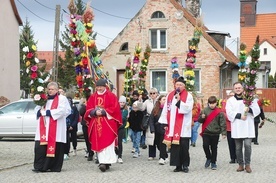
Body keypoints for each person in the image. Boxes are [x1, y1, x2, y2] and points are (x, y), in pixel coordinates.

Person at [84, 79, 122, 172]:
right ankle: (102, 162)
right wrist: (94, 112)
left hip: (108, 124)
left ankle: (106, 162)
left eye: (101, 87)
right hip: (96, 123)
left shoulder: (111, 96)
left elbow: (115, 108)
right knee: (99, 142)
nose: (99, 88)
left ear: (105, 87)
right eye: (98, 87)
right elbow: (88, 109)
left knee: (108, 142)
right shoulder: (93, 97)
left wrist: (104, 111)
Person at [33, 82, 71, 173]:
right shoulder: (43, 99)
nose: (50, 91)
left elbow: (63, 110)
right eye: (49, 89)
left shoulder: (62, 98)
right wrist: (39, 112)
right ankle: (40, 166)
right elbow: (37, 108)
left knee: (56, 147)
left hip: (56, 127)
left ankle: (54, 167)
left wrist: (48, 112)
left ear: (57, 90)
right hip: (43, 127)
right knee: (40, 147)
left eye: (52, 89)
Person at [159, 76, 194, 173]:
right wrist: (164, 123)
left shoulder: (188, 96)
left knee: (184, 147)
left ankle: (185, 165)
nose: (178, 86)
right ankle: (177, 165)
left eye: (180, 85)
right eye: (177, 84)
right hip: (172, 126)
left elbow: (187, 108)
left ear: (184, 86)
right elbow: (166, 108)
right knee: (175, 147)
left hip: (183, 126)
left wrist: (179, 101)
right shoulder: (170, 95)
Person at [226, 82, 260, 173]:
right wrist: (239, 116)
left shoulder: (250, 99)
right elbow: (229, 112)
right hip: (237, 126)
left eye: (239, 87)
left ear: (243, 89)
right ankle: (241, 164)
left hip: (248, 126)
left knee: (248, 145)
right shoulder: (230, 101)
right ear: (234, 89)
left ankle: (247, 164)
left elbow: (257, 110)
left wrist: (250, 109)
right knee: (238, 147)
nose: (238, 89)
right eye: (236, 88)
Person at [198, 96, 226, 170]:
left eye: (213, 103)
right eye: (210, 103)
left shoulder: (219, 112)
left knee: (214, 148)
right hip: (206, 132)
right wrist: (202, 117)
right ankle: (208, 157)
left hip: (215, 132)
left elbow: (222, 123)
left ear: (216, 103)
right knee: (205, 146)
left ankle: (213, 162)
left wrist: (223, 133)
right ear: (208, 103)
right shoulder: (204, 110)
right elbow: (199, 120)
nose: (212, 105)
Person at [137, 87, 159, 160]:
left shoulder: (159, 100)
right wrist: (140, 101)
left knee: (159, 137)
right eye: (151, 93)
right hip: (150, 119)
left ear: (156, 94)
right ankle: (151, 155)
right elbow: (142, 108)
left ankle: (162, 154)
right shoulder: (147, 101)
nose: (152, 95)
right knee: (150, 137)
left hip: (158, 119)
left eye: (154, 93)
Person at [148, 95, 168, 165]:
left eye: (166, 99)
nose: (165, 101)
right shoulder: (156, 109)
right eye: (163, 99)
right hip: (157, 128)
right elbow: (151, 119)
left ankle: (162, 158)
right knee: (157, 143)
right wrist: (152, 129)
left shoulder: (168, 109)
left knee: (162, 143)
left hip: (164, 128)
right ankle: (165, 154)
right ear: (160, 100)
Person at [221, 91, 237, 164]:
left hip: (236, 125)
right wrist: (230, 117)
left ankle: (238, 157)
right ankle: (232, 157)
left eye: (233, 95)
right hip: (228, 126)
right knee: (230, 143)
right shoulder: (225, 103)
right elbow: (223, 112)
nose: (231, 96)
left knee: (238, 143)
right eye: (230, 95)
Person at [79, 96, 94, 161]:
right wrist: (85, 105)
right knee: (87, 139)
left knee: (94, 139)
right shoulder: (84, 106)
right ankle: (90, 152)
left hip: (93, 124)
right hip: (85, 124)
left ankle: (97, 154)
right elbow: (81, 112)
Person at [117, 95, 129, 164]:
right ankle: (115, 153)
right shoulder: (116, 109)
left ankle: (120, 156)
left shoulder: (125, 110)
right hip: (114, 128)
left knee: (119, 142)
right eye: (120, 102)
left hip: (121, 128)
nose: (122, 104)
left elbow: (123, 118)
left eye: (123, 102)